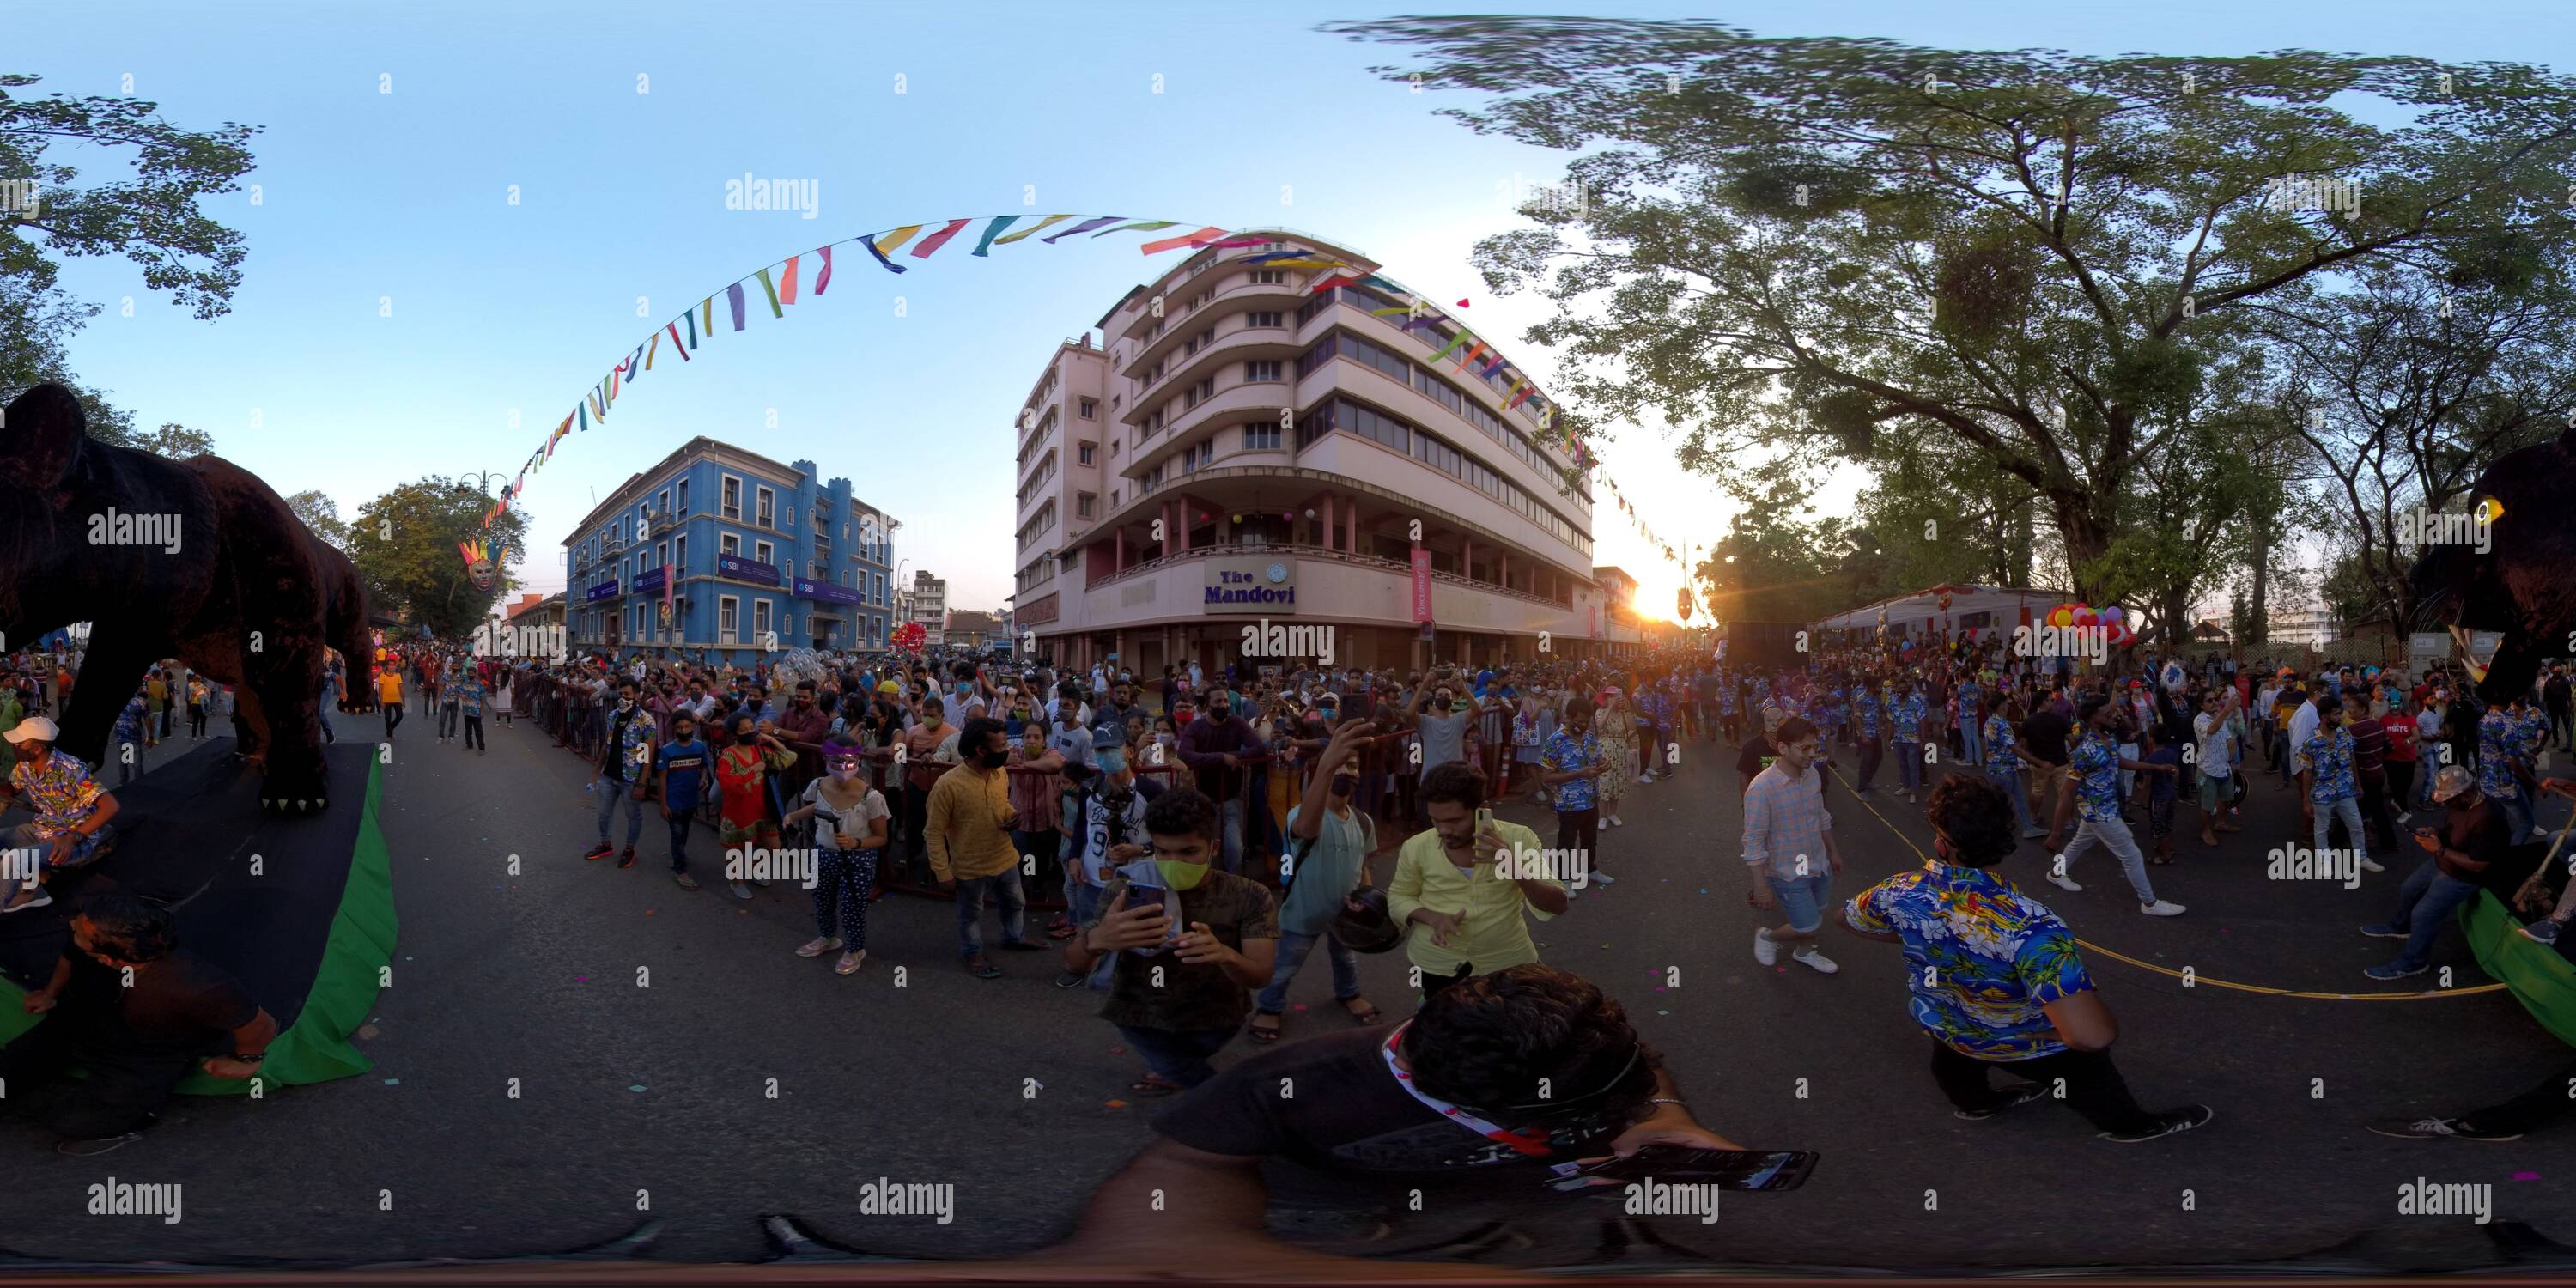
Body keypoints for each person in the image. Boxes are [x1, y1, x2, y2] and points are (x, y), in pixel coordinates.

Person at [1838, 776, 2213, 1142]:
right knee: (2090, 1073)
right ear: (2006, 841)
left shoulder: (1899, 891)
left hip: (1952, 1028)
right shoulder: (2031, 926)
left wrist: (1914, 935)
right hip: (2023, 1039)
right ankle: (2130, 1127)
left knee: (1955, 1068)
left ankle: (1977, 1105)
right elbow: (2090, 1036)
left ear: (1941, 844)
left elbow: (1847, 919)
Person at [3, 891, 279, 1156]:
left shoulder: (198, 985)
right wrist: (50, 993)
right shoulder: (92, 938)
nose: (72, 924)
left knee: (76, 1125)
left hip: (143, 1056)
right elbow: (71, 954)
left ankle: (135, 1119)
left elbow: (260, 1024)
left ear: (108, 958)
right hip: (77, 1025)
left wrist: (246, 1059)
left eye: (79, 931)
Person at [1066, 785, 1279, 1096]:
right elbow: (1073, 964)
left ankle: (1172, 1072)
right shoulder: (1126, 888)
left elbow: (1260, 975)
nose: (1173, 862)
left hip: (1216, 1019)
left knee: (1182, 1062)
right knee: (1202, 1084)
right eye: (1163, 852)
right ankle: (1229, 1102)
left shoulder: (1249, 896)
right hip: (1139, 1016)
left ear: (1213, 848)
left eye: (1188, 852)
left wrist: (1224, 955)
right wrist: (1096, 940)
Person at [1251, 717, 1383, 1044]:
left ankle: (1348, 993)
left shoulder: (1363, 822)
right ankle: (1269, 1006)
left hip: (1343, 914)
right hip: (1303, 913)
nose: (1347, 771)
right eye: (1339, 765)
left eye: (1352, 766)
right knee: (1284, 968)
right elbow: (1307, 831)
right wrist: (1328, 763)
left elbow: (1362, 864)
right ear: (1322, 771)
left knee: (1346, 959)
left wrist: (1365, 900)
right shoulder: (1301, 813)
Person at [1388, 762, 1569, 1001]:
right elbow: (1398, 897)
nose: (1443, 830)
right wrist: (1432, 918)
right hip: (1436, 965)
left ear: (1483, 811)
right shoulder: (1416, 847)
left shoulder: (1519, 838)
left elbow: (1557, 905)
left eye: (1454, 821)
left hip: (1508, 965)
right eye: (1435, 820)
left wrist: (1514, 867)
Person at [2361, 765, 2513, 981]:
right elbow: (2453, 828)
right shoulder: (2460, 803)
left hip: (2466, 875)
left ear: (2466, 794)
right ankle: (2399, 926)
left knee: (2424, 914)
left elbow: (2479, 865)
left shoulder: (2489, 817)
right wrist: (2436, 833)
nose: (2445, 804)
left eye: (2448, 801)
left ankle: (2414, 962)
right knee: (2409, 889)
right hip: (2445, 860)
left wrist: (2440, 849)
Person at [2043, 695, 2186, 916]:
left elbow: (2120, 762)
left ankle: (2056, 872)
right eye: (2107, 714)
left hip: (2103, 809)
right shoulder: (2085, 751)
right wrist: (2055, 832)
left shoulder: (2107, 739)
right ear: (2093, 719)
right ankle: (2149, 903)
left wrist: (2156, 768)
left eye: (2112, 712)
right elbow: (2066, 793)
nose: (2114, 716)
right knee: (2132, 854)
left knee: (2078, 844)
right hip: (2100, 814)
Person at [927, 716, 1039, 978]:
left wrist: (1012, 815)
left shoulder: (1000, 773)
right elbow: (932, 833)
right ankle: (973, 953)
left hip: (1004, 857)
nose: (1008, 750)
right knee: (971, 914)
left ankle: (1013, 937)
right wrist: (942, 872)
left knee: (1015, 902)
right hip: (970, 867)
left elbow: (1001, 805)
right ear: (981, 750)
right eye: (1001, 745)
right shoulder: (948, 785)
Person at [1742, 717, 1842, 975]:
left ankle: (1804, 952)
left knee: (1816, 915)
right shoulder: (1761, 788)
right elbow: (1752, 840)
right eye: (1805, 748)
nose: (1812, 754)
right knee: (1808, 924)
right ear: (1783, 748)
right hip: (1787, 871)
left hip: (1818, 863)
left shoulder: (1812, 776)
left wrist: (1833, 852)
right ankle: (1768, 937)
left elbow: (1821, 815)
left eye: (1815, 748)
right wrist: (1761, 886)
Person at [784, 737, 890, 976]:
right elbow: (817, 807)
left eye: (850, 761)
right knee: (822, 898)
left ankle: (854, 950)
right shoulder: (819, 785)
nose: (844, 767)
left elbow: (882, 837)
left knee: (852, 906)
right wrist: (792, 817)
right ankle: (827, 937)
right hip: (822, 853)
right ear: (826, 760)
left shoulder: (871, 798)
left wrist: (856, 842)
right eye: (837, 760)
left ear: (858, 761)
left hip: (857, 860)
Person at [1, 717, 122, 913]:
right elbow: (11, 790)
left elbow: (111, 806)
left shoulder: (71, 768)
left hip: (70, 839)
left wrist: (72, 838)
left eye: (19, 743)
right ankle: (33, 892)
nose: (14, 746)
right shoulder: (24, 766)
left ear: (37, 749)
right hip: (42, 829)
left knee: (14, 859)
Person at [1176, 688, 1261, 875]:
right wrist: (1221, 758)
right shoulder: (1195, 727)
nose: (1223, 705)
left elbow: (1258, 748)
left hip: (1230, 798)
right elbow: (1185, 755)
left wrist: (1235, 756)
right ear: (1207, 705)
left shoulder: (1236, 723)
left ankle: (1228, 881)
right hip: (1203, 799)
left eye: (1225, 701)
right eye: (1218, 702)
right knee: (1208, 849)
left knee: (1235, 847)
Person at [2300, 696, 2385, 876]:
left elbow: (2352, 759)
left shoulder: (2345, 734)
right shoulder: (2310, 742)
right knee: (2321, 829)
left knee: (2356, 825)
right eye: (2336, 714)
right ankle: (2325, 862)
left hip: (2346, 791)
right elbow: (2307, 772)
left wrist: (2358, 785)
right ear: (2324, 717)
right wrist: (2306, 800)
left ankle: (2360, 858)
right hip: (2322, 794)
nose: (2341, 717)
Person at [714, 714, 795, 899]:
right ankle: (737, 881)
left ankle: (749, 870)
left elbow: (789, 759)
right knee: (737, 850)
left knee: (774, 849)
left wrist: (772, 740)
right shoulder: (728, 756)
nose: (750, 732)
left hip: (763, 809)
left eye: (752, 727)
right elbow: (729, 785)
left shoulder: (760, 750)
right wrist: (753, 770)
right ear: (735, 734)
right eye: (744, 730)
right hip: (738, 812)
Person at [654, 710, 712, 890]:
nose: (683, 729)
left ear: (693, 727)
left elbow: (703, 767)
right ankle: (681, 871)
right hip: (674, 801)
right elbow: (662, 779)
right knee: (678, 834)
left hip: (691, 799)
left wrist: (704, 778)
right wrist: (663, 805)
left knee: (684, 831)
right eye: (679, 727)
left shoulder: (700, 747)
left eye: (687, 726)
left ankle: (678, 856)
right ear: (674, 728)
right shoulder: (667, 751)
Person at [2193, 687, 2244, 848]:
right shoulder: (2200, 720)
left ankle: (2220, 823)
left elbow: (2230, 739)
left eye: (2215, 699)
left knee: (2226, 798)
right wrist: (2227, 709)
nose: (2215, 702)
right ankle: (2205, 831)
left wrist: (2231, 759)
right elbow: (2212, 729)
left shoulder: (2219, 718)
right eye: (2210, 700)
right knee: (2207, 805)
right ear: (2202, 705)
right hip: (2207, 769)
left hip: (2224, 767)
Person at [375, 663, 405, 739]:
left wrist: (403, 700)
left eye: (393, 665)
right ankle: (389, 735)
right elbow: (380, 689)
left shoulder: (398, 675)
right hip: (386, 700)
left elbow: (401, 688)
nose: (392, 667)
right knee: (388, 718)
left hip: (397, 699)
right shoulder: (383, 676)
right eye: (390, 665)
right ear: (387, 666)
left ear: (396, 667)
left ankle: (390, 728)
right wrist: (381, 701)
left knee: (400, 716)